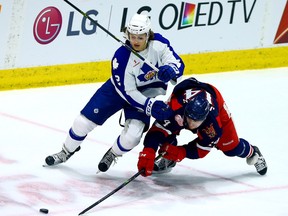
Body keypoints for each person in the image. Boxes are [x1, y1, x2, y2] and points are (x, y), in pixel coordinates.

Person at [45, 13, 184, 172]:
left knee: (132, 137)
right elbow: (128, 92)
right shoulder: (121, 57)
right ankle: (65, 152)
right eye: (132, 36)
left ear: (147, 35)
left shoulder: (159, 44)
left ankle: (112, 154)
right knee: (81, 122)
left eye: (140, 37)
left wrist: (171, 70)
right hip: (116, 91)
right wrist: (150, 106)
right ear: (127, 34)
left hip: (146, 93)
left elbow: (177, 63)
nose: (136, 41)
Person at [137, 77, 268, 177]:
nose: (192, 124)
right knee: (169, 128)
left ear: (205, 118)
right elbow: (157, 130)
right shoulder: (175, 108)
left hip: (216, 100)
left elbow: (202, 150)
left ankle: (253, 152)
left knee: (230, 148)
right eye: (190, 119)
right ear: (186, 112)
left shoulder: (213, 124)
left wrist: (181, 152)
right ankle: (167, 159)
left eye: (197, 121)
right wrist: (149, 150)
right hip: (184, 102)